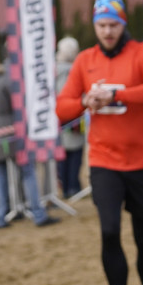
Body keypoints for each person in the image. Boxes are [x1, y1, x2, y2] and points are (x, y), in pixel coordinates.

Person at [55, 0, 143, 285]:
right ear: (94, 25)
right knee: (108, 232)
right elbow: (61, 109)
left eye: (113, 24)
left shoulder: (142, 54)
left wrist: (116, 95)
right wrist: (83, 101)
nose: (107, 31)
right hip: (104, 161)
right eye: (101, 25)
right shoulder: (85, 61)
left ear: (123, 24)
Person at [0, 47, 58, 229]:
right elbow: (17, 107)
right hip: (12, 133)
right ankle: (38, 214)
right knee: (28, 172)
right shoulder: (5, 80)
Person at [55, 37, 85, 199]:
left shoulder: (53, 72)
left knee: (63, 154)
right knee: (75, 154)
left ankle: (66, 185)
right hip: (75, 119)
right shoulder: (75, 72)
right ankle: (72, 186)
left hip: (59, 120)